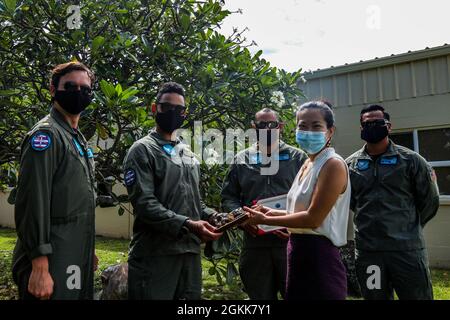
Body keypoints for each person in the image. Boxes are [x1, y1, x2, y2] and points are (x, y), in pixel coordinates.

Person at [123, 82, 222, 300]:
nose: (173, 113)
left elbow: (194, 202)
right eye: (167, 107)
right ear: (153, 108)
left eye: (180, 110)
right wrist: (188, 224)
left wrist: (213, 216)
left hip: (189, 254)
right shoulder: (142, 150)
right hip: (155, 255)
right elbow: (145, 203)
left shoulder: (186, 152)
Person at [244, 101, 350, 300]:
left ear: (330, 131)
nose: (308, 131)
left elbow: (312, 219)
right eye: (302, 125)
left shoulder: (332, 165)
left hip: (319, 257)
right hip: (297, 252)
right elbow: (298, 212)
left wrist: (264, 220)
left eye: (316, 126)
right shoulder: (309, 163)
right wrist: (268, 212)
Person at [12, 61, 97, 300]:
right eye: (70, 86)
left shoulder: (74, 136)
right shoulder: (46, 136)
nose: (78, 92)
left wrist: (86, 249)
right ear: (53, 89)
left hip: (74, 253)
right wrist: (39, 266)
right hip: (51, 259)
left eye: (85, 88)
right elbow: (32, 203)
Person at [346, 104, 440, 300]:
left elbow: (430, 200)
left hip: (407, 252)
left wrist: (407, 226)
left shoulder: (412, 161)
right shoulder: (350, 165)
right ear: (361, 128)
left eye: (378, 122)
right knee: (374, 297)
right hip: (369, 252)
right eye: (367, 123)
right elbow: (352, 202)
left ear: (389, 126)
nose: (372, 126)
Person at [221, 108, 307, 300]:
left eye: (272, 125)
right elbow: (228, 197)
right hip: (255, 246)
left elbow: (309, 198)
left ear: (281, 127)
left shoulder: (298, 158)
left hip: (290, 243)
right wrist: (241, 219)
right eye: (261, 125)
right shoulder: (241, 159)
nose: (267, 129)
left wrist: (293, 224)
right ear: (253, 127)